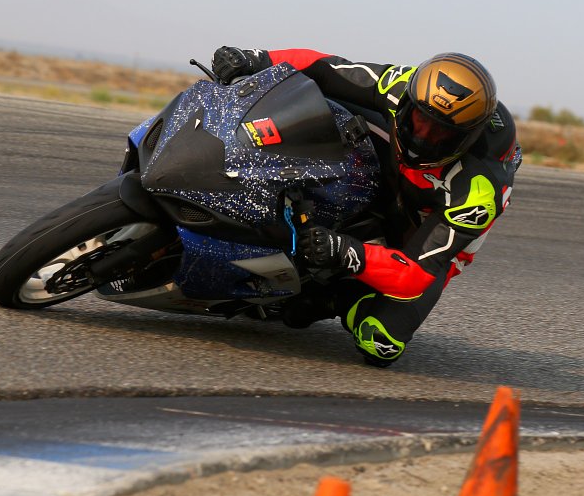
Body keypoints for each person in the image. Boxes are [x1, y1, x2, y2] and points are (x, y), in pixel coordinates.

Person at [211, 46, 522, 367]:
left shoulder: (478, 191)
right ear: (410, 101)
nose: (422, 137)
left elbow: (414, 276)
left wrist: (345, 251)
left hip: (425, 226)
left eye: (440, 133)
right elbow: (327, 67)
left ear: (466, 139)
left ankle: (336, 296)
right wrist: (256, 59)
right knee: (323, 97)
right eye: (418, 120)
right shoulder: (404, 85)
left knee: (381, 341)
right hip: (394, 170)